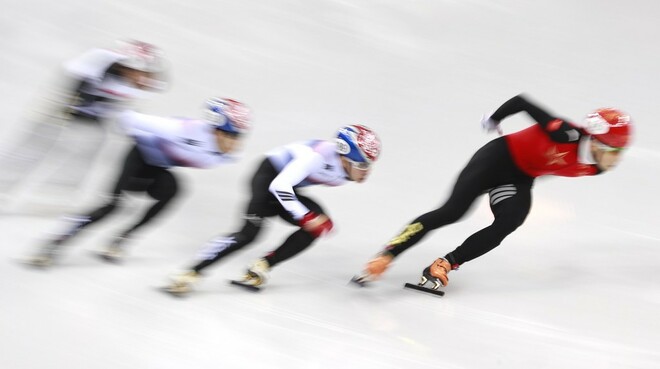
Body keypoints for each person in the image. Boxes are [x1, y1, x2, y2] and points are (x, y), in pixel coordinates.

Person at [353, 94, 632, 291]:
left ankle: (445, 264)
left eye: (621, 152)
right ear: (596, 142)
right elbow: (522, 101)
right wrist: (494, 119)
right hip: (495, 159)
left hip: (518, 176)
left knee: (509, 221)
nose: (616, 159)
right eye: (614, 151)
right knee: (452, 212)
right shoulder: (566, 134)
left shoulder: (598, 167)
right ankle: (387, 254)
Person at [26, 97, 251, 267]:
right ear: (214, 130)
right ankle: (53, 243)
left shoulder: (231, 154)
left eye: (238, 136)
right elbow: (127, 118)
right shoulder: (183, 131)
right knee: (112, 205)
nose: (233, 143)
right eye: (229, 135)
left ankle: (121, 239)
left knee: (173, 190)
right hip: (137, 159)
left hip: (156, 168)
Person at [163, 124, 382, 295]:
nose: (366, 171)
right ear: (344, 157)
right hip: (267, 178)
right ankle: (190, 272)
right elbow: (279, 186)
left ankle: (262, 265)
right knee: (248, 234)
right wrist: (304, 216)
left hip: (286, 185)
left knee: (318, 226)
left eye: (370, 165)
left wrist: (309, 220)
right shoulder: (316, 157)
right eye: (362, 165)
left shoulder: (344, 165)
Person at [0, 40, 167, 211]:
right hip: (64, 107)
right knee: (35, 145)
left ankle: (55, 192)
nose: (143, 79)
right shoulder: (95, 65)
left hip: (93, 112)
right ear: (123, 67)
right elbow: (71, 95)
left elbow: (122, 104)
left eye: (147, 74)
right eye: (138, 72)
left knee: (86, 150)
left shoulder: (147, 84)